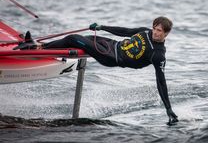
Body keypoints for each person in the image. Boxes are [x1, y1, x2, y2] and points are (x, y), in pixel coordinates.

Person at [15, 16, 178, 125]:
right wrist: (102, 27)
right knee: (82, 39)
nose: (155, 33)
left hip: (110, 57)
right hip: (111, 44)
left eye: (160, 31)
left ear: (166, 34)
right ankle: (36, 44)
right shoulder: (146, 32)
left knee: (74, 39)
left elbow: (161, 82)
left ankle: (37, 47)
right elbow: (125, 31)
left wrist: (168, 108)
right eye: (155, 29)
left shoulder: (158, 55)